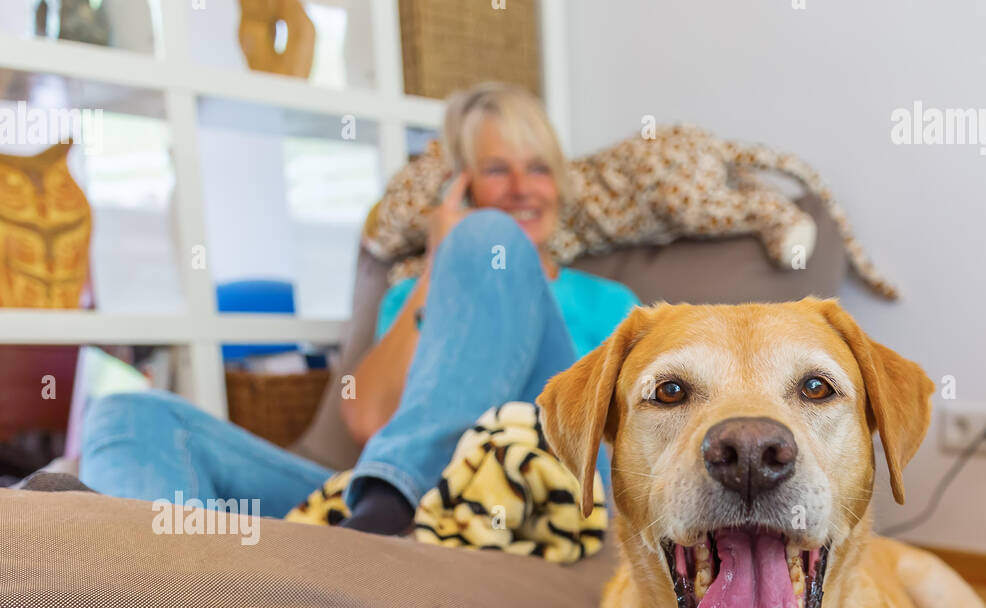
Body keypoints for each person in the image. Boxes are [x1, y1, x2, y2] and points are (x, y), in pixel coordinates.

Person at [80, 83, 640, 534]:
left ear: (559, 186)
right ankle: (183, 589)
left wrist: (484, 240)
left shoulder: (612, 306)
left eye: (538, 169)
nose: (522, 187)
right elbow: (371, 421)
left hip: (547, 494)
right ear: (460, 189)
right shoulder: (408, 296)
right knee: (130, 416)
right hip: (389, 502)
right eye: (497, 170)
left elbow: (641, 445)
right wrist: (441, 267)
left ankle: (384, 509)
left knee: (491, 242)